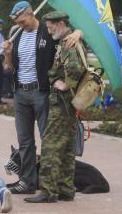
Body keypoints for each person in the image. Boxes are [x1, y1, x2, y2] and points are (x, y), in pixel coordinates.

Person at [2, 1, 82, 194]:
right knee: (25, 141)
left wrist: (78, 33)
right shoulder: (16, 33)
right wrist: (7, 55)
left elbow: (68, 32)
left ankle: (52, 185)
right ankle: (27, 181)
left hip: (41, 93)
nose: (21, 25)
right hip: (20, 93)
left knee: (49, 140)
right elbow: (9, 68)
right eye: (18, 23)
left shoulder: (47, 31)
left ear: (31, 14)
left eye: (23, 21)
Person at [24, 11, 87, 203]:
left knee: (50, 145)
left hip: (61, 101)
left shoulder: (68, 43)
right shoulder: (68, 40)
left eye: (51, 27)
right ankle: (66, 189)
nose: (49, 30)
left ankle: (48, 191)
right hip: (69, 102)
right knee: (67, 146)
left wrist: (66, 84)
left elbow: (75, 69)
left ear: (60, 24)